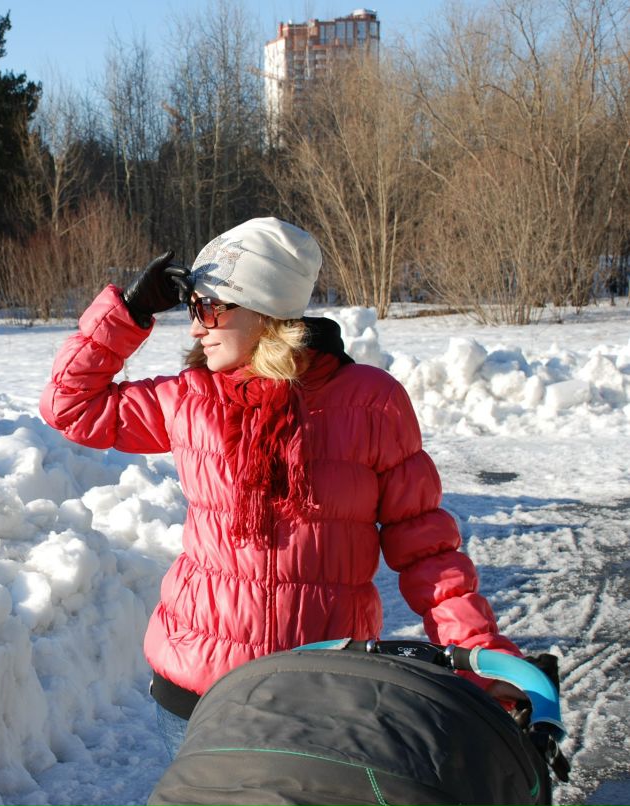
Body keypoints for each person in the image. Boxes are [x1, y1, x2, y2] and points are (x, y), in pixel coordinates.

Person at [38, 217, 521, 760]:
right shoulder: (191, 398)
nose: (195, 328)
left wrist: (477, 652)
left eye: (209, 307)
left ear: (264, 310)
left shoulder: (370, 402)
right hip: (197, 691)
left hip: (323, 689)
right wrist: (128, 313)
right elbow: (69, 405)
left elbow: (426, 548)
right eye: (192, 308)